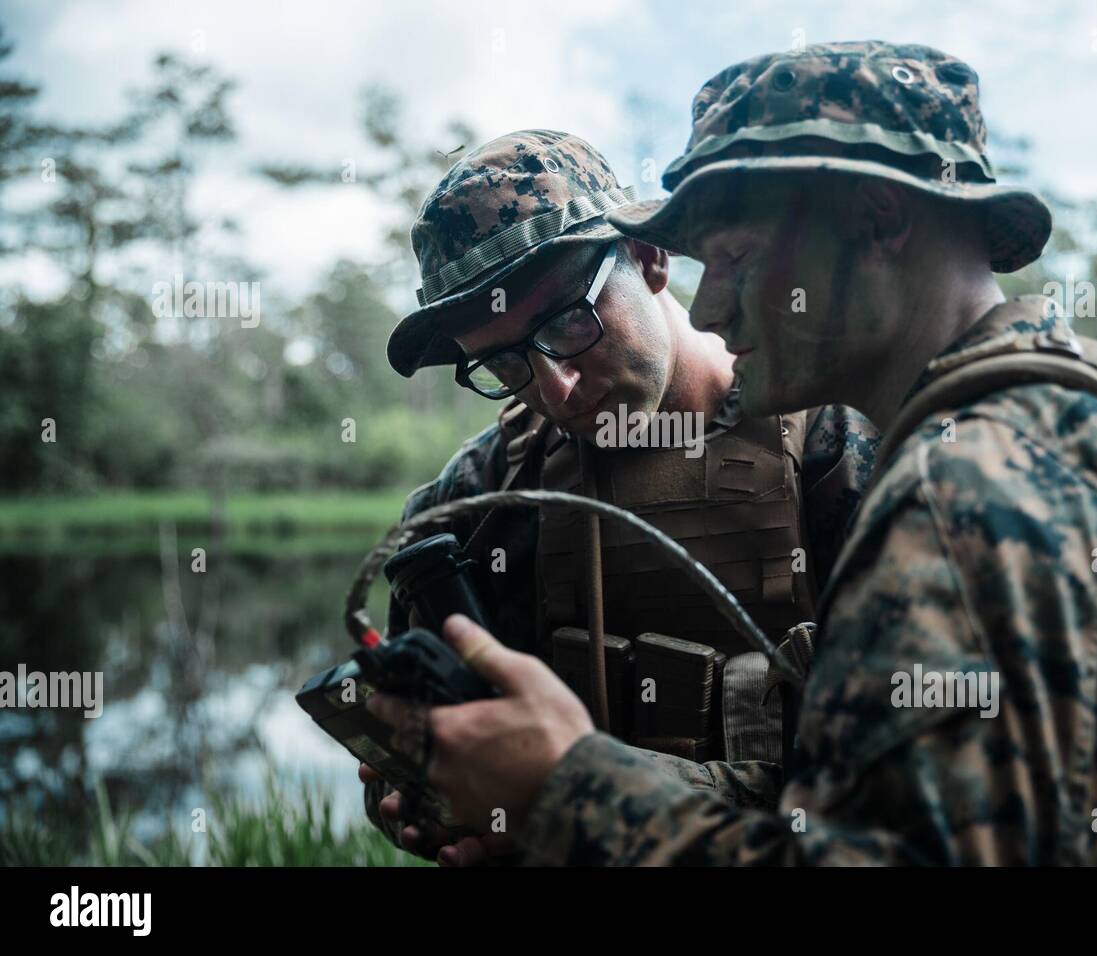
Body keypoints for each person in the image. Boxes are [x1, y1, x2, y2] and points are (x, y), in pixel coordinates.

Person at [366, 42, 1097, 865]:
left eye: (736, 255)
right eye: (506, 364)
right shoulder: (1059, 412)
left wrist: (563, 790)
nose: (713, 309)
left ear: (878, 215)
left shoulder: (969, 482)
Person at [363, 128, 878, 864]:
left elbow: (902, 810)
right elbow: (411, 743)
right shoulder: (477, 502)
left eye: (571, 323)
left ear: (650, 255)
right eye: (505, 363)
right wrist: (429, 795)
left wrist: (562, 798)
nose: (555, 389)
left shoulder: (842, 453)